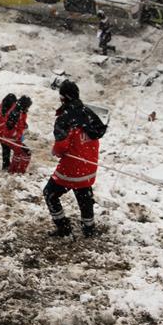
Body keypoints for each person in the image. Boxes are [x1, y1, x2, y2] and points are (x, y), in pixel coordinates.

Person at [44, 80, 106, 237]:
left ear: (63, 97)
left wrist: (55, 151)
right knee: (84, 196)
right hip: (89, 167)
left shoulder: (64, 118)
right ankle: (89, 229)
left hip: (71, 169)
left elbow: (60, 147)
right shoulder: (88, 113)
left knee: (50, 193)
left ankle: (64, 228)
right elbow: (97, 132)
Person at [0, 93, 31, 172]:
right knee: (19, 151)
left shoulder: (3, 108)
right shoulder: (13, 113)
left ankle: (8, 167)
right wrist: (17, 135)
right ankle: (15, 170)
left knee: (7, 150)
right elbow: (9, 127)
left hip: (1, 134)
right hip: (5, 135)